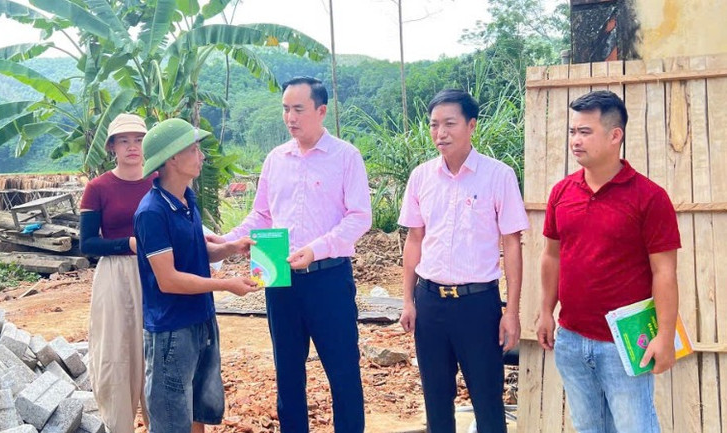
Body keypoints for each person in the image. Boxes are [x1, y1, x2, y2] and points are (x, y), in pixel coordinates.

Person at [220, 76, 371, 432]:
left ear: (321, 111)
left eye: (298, 109)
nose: (290, 117)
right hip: (279, 277)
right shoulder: (276, 159)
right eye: (286, 109)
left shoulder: (345, 156)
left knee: (343, 369)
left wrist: (316, 249)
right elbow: (262, 215)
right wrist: (225, 243)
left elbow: (359, 217)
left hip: (329, 277)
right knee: (288, 371)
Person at [536, 90, 681, 433]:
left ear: (615, 136)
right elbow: (551, 256)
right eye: (573, 131)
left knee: (635, 427)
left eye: (585, 132)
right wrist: (545, 310)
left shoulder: (649, 197)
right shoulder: (562, 193)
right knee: (588, 427)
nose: (575, 140)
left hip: (625, 344)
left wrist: (665, 335)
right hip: (570, 339)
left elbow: (665, 272)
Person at [398, 89, 528, 433]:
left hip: (478, 305)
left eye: (449, 124)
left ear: (471, 125)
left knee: (488, 401)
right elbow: (414, 240)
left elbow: (512, 245)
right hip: (430, 304)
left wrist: (511, 312)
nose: (441, 132)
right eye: (434, 124)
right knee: (437, 402)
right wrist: (408, 301)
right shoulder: (421, 177)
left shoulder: (498, 175)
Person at [133, 118, 259, 433]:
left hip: (200, 321)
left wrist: (232, 247)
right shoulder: (152, 213)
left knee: (196, 412)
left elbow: (199, 254)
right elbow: (169, 279)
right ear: (173, 158)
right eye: (194, 149)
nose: (201, 156)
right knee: (171, 421)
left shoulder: (186, 200)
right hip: (171, 331)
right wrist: (226, 285)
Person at [80, 113, 153, 433]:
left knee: (155, 348)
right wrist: (129, 244)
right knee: (115, 349)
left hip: (157, 273)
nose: (132, 147)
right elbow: (88, 243)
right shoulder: (98, 187)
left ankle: (159, 422)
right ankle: (118, 424)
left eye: (138, 140)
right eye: (124, 140)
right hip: (115, 275)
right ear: (112, 147)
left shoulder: (159, 181)